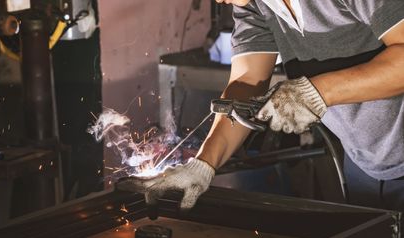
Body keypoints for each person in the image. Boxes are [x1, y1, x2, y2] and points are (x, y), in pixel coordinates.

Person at [122, 0, 404, 212]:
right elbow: (247, 83)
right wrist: (203, 165)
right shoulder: (254, 6)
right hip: (366, 164)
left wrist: (318, 92)